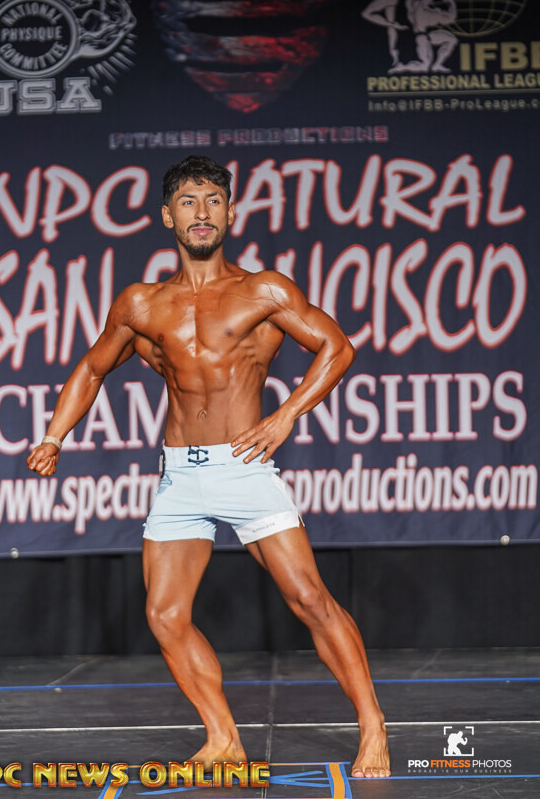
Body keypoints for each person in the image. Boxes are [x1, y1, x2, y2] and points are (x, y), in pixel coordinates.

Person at [27, 155, 391, 779]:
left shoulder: (263, 290)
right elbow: (91, 367)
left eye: (214, 200)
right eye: (189, 202)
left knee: (308, 598)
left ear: (230, 212)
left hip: (244, 464)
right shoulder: (142, 303)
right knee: (165, 615)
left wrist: (286, 416)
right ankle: (223, 738)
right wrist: (55, 436)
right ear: (168, 216)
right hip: (179, 474)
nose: (202, 212)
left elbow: (338, 347)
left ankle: (373, 725)